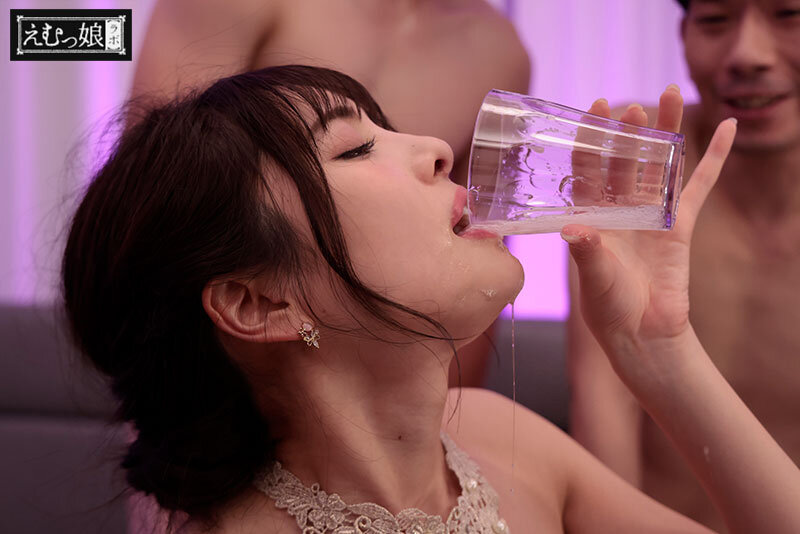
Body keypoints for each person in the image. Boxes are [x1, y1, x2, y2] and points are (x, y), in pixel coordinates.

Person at [62, 65, 800, 534]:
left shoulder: (506, 441)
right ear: (260, 305)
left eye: (385, 129)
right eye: (355, 148)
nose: (438, 148)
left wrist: (659, 350)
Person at [131, 0, 532, 388]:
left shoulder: (497, 52)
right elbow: (155, 203)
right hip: (218, 378)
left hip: (382, 381)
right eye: (353, 150)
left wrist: (437, 426)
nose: (436, 152)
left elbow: (476, 254)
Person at [567, 0, 800, 531]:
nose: (747, 54)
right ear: (684, 33)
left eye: (789, 14)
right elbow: (604, 402)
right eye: (715, 20)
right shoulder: (636, 159)